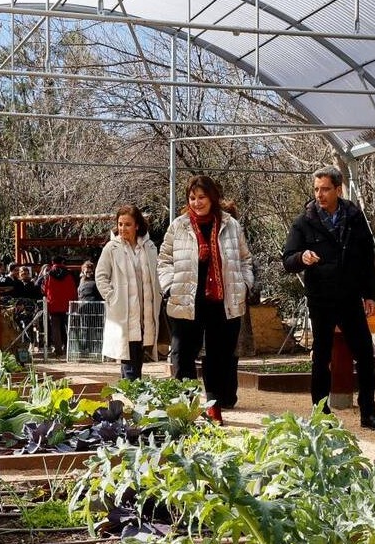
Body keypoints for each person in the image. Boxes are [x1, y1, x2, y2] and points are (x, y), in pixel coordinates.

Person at [282, 165, 375, 432]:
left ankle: (368, 412)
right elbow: (287, 260)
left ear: (338, 189)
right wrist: (302, 258)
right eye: (316, 189)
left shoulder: (355, 217)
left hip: (350, 296)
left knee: (365, 354)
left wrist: (369, 294)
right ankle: (321, 413)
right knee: (321, 356)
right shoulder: (303, 221)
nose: (320, 194)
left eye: (325, 189)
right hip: (320, 298)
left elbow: (367, 258)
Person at [159, 175, 254, 421]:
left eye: (202, 197)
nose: (197, 202)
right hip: (186, 299)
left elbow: (245, 259)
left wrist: (245, 284)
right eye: (192, 198)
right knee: (182, 354)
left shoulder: (230, 225)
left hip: (221, 300)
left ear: (212, 198)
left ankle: (213, 406)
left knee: (218, 356)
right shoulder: (178, 226)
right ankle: (185, 407)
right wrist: (169, 286)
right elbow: (164, 260)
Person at [95, 205, 161, 380]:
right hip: (124, 310)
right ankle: (132, 394)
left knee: (137, 356)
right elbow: (100, 276)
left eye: (127, 224)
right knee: (128, 356)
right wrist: (112, 297)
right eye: (120, 224)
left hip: (144, 311)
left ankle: (129, 393)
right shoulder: (111, 248)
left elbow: (156, 274)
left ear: (137, 225)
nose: (123, 228)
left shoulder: (149, 247)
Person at [42, 259, 79, 357]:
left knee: (55, 328)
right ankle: (69, 348)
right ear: (62, 262)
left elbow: (45, 290)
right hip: (67, 305)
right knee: (69, 327)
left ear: (52, 262)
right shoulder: (69, 274)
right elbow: (73, 289)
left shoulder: (49, 275)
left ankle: (58, 349)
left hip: (53, 305)